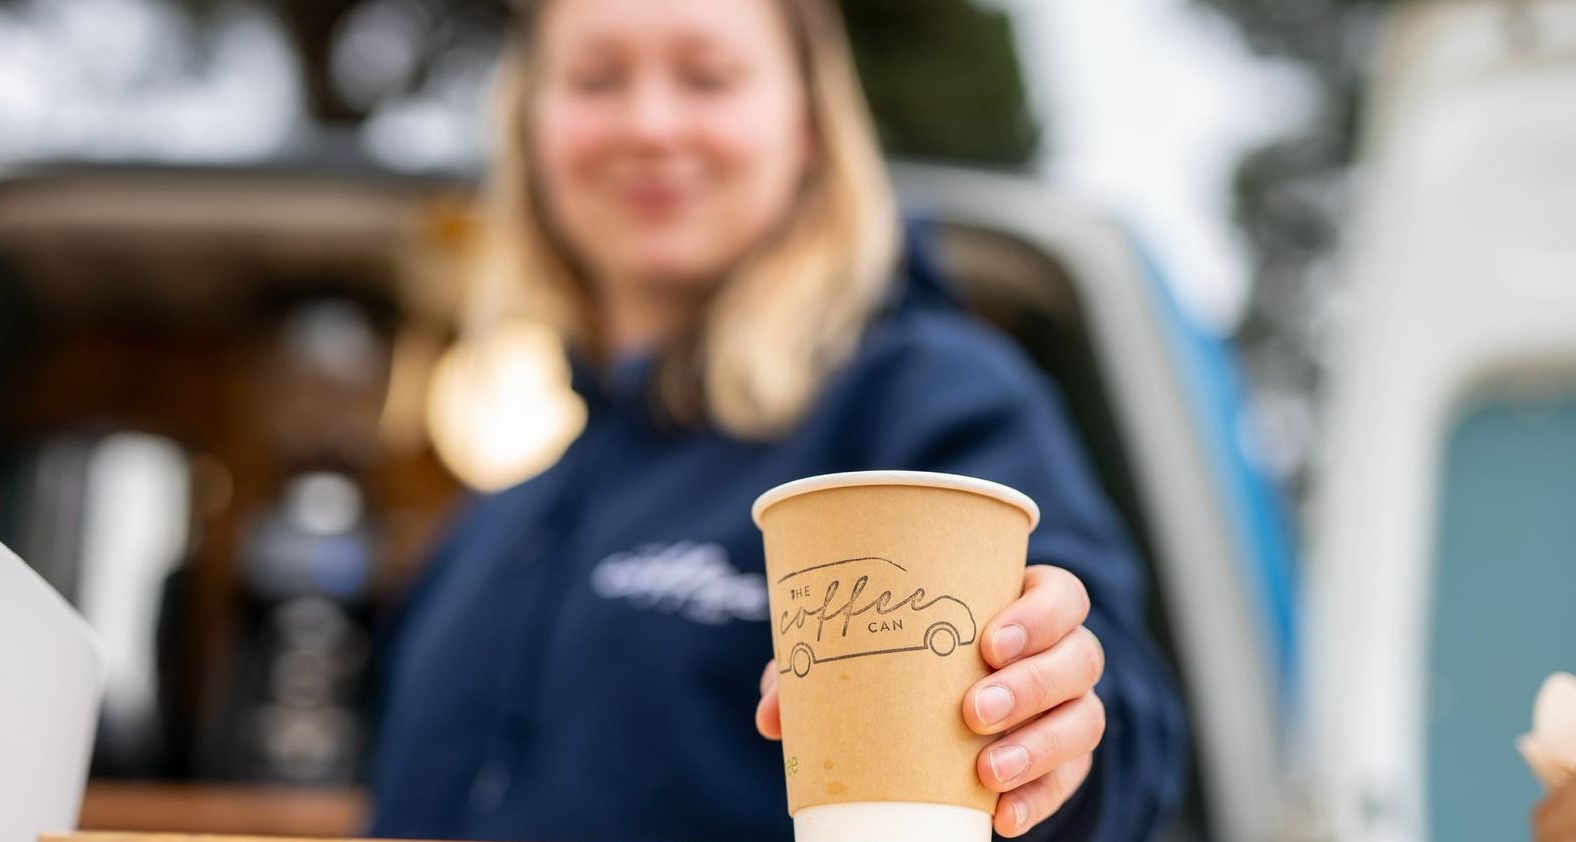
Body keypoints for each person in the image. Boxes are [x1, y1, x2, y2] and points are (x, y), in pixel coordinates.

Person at [367, 0, 1189, 839]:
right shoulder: (501, 515)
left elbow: (1119, 726)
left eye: (709, 77)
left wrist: (1062, 734)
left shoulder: (922, 391)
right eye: (596, 80)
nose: (650, 125)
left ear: (808, 124)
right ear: (530, 130)